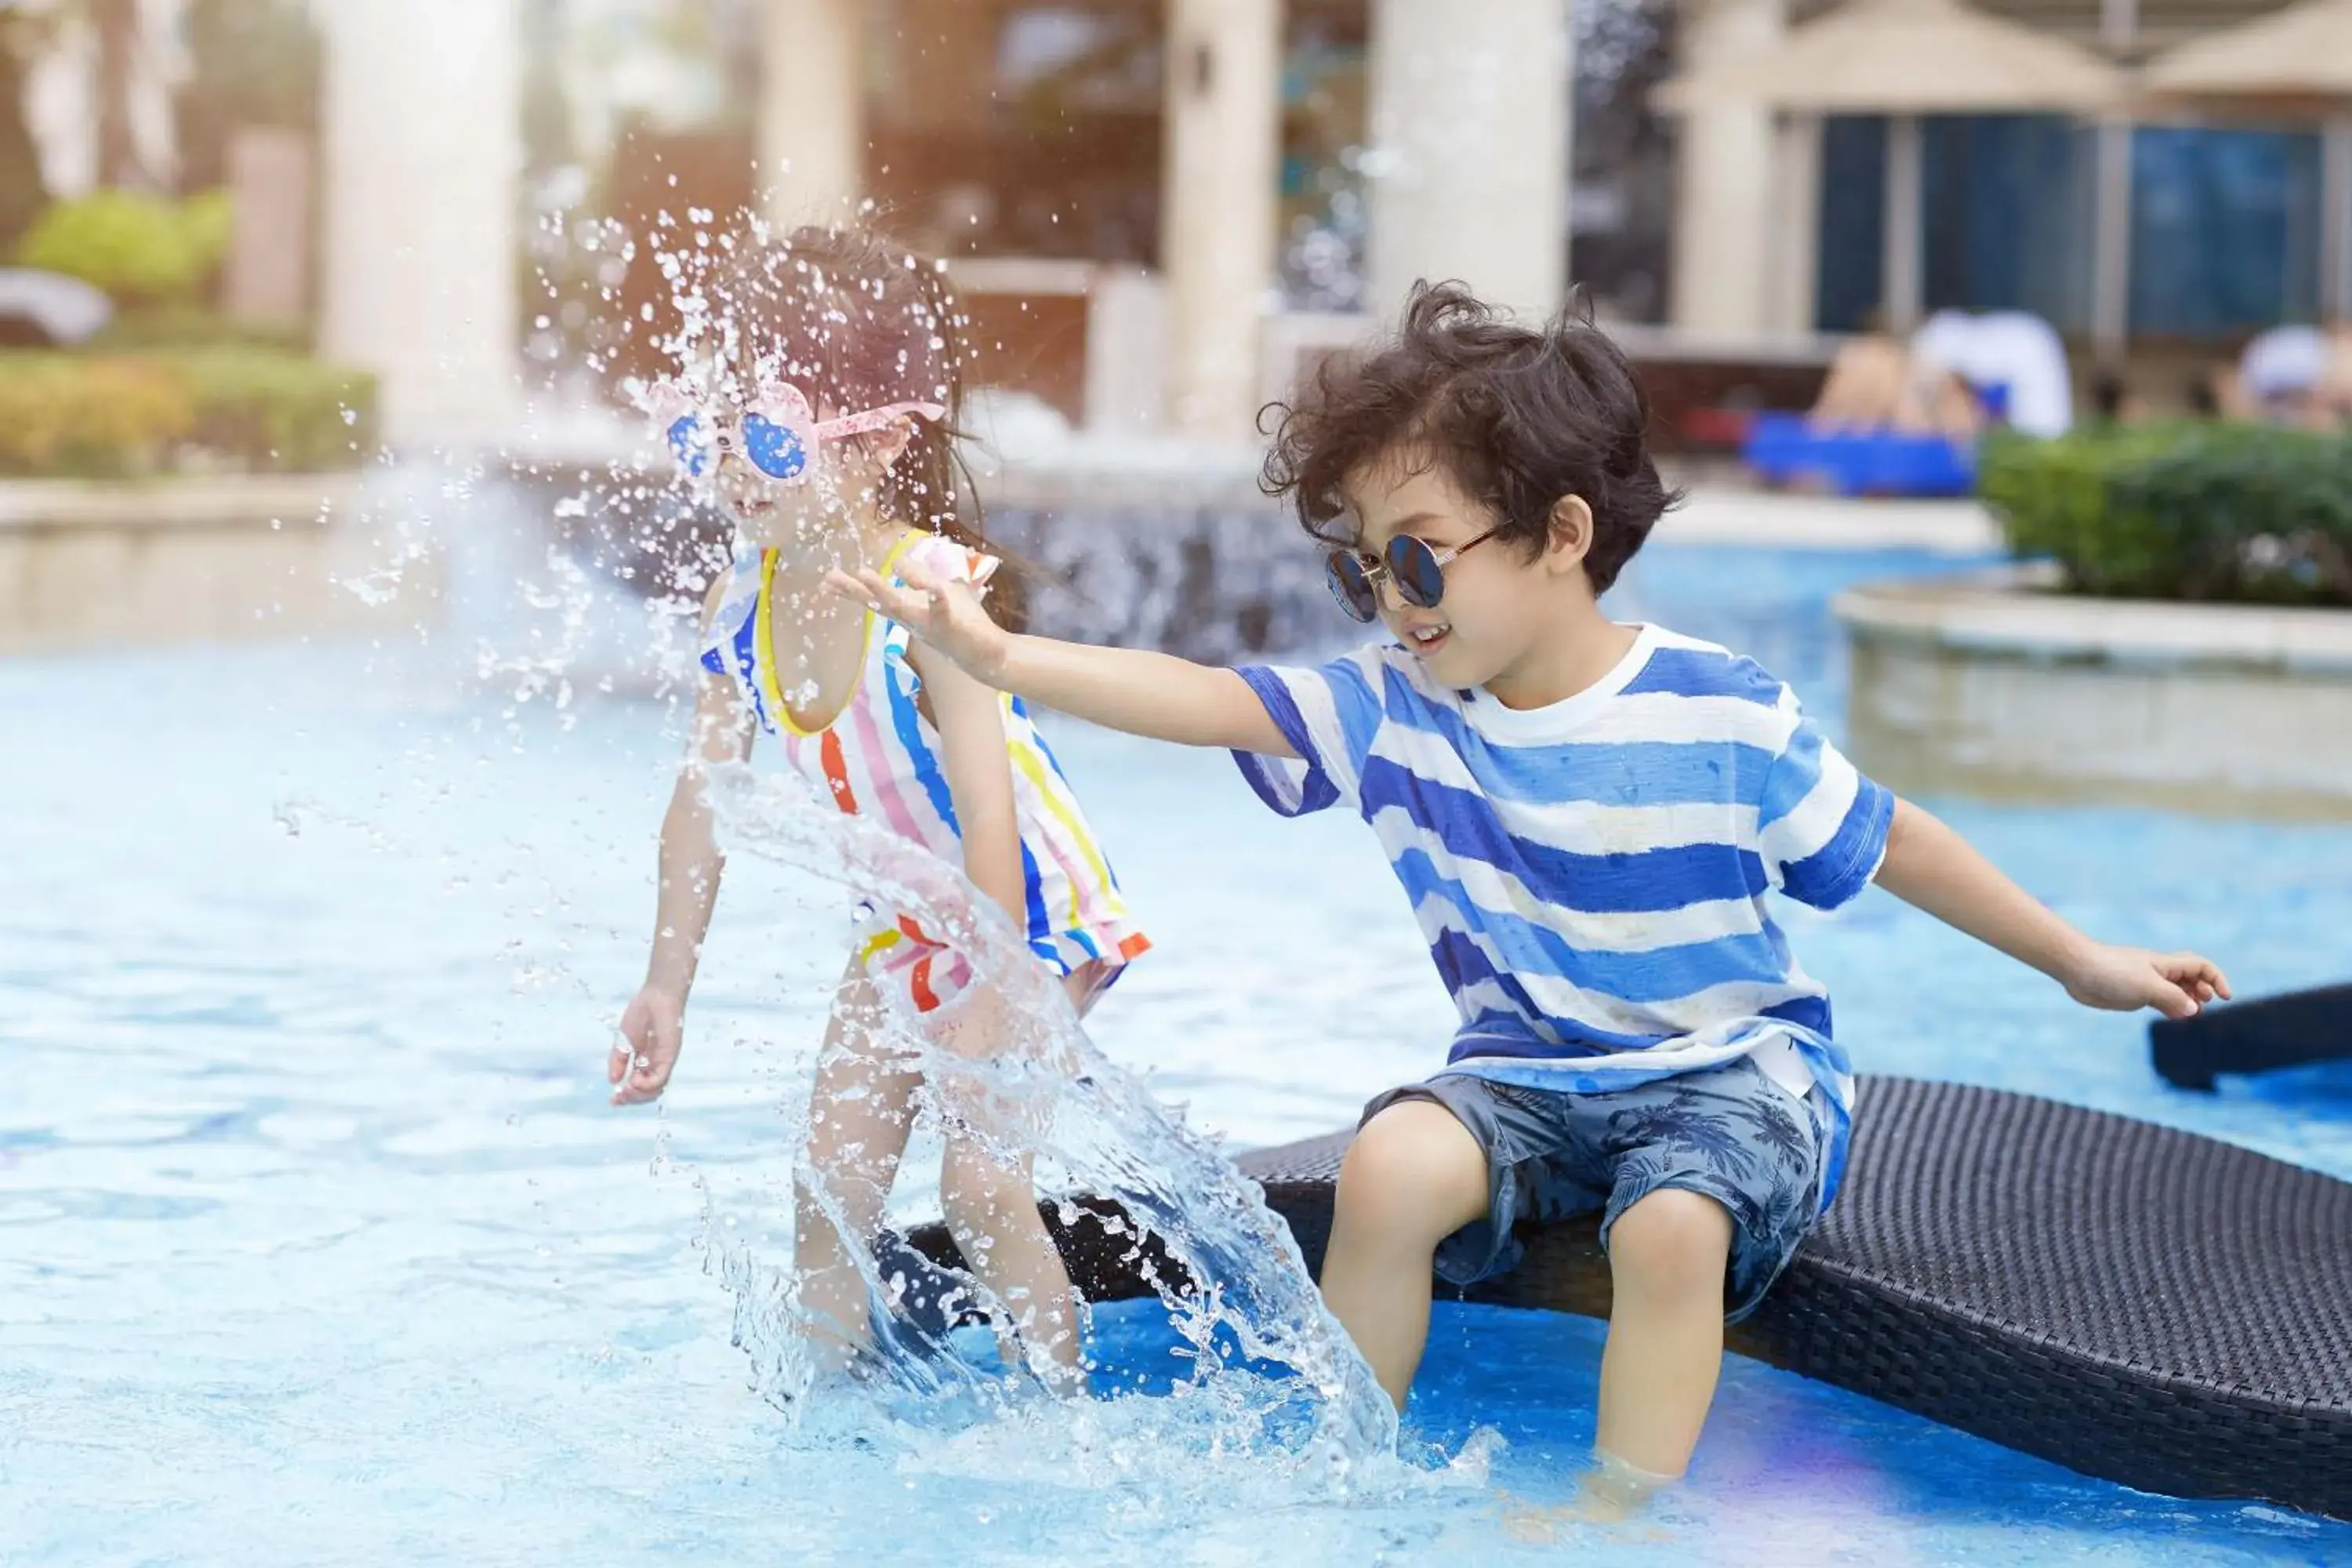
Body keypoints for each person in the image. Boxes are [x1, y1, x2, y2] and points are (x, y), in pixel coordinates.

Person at [835, 282, 2228, 1502]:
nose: (1395, 595)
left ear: (1561, 532)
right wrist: (1008, 661)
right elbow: (1208, 698)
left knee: (1669, 1228)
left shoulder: (1717, 711)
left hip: (1732, 1076)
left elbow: (1895, 839)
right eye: (1369, 564)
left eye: (1423, 553)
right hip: (1524, 1076)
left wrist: (2074, 960)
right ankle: (1345, 1462)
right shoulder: (1395, 708)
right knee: (1388, 1166)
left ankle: (1621, 1506)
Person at [605, 224, 1149, 1392]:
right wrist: (666, 983)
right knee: (829, 1184)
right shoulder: (737, 595)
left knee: (982, 1185)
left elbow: (990, 812)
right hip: (907, 922)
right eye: (706, 432)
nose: (732, 471)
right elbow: (703, 799)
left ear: (879, 443)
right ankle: (828, 1423)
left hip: (1030, 920)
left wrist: (998, 988)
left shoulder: (928, 591)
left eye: (767, 438)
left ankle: (1058, 1424)